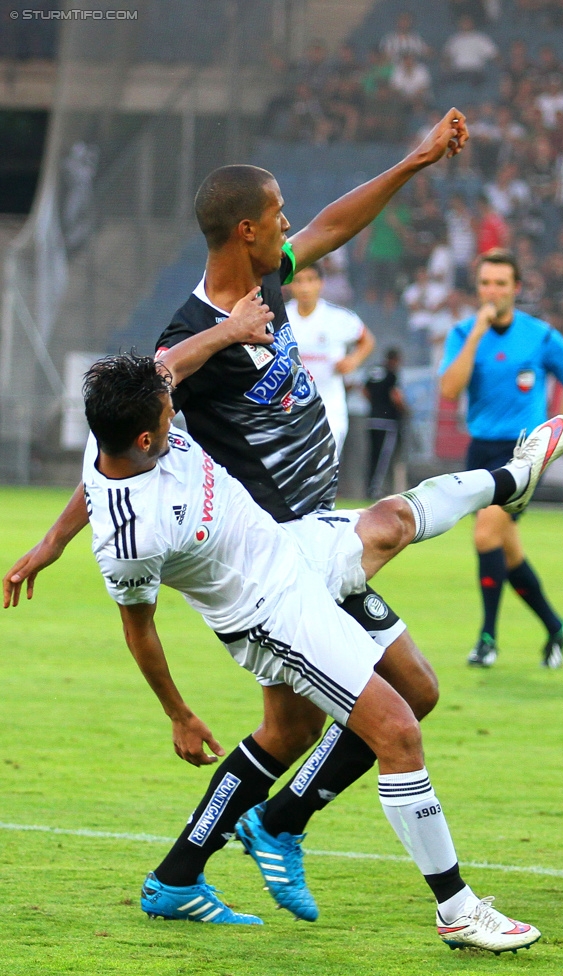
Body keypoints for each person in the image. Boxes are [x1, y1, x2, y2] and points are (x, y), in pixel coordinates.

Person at [3, 111, 475, 923]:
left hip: (317, 533)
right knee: (397, 703)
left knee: (319, 725)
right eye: (279, 211)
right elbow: (123, 447)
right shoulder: (185, 338)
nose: (293, 223)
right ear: (247, 228)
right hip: (285, 556)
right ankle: (278, 837)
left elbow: (332, 225)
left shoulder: (268, 278)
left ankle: (209, 858)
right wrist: (55, 544)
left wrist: (414, 161)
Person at [75, 352, 563, 945]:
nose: (176, 408)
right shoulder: (130, 536)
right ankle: (457, 910)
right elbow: (139, 629)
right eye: (168, 413)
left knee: (391, 529)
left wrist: (48, 547)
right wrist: (178, 715)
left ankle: (184, 873)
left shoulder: (126, 417)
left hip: (291, 549)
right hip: (271, 615)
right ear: (143, 437)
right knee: (399, 730)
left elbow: (151, 395)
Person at [439, 249, 563, 668]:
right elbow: (450, 391)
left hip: (522, 452)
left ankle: (487, 639)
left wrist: (561, 431)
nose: (493, 291)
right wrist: (475, 336)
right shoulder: (463, 333)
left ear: (516, 289)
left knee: (485, 535)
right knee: (506, 552)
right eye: (486, 283)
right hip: (480, 451)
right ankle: (556, 628)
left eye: (501, 284)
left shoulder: (539, 335)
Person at [285, 261, 375, 456]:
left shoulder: (338, 318)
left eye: (310, 280)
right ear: (290, 285)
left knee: (324, 469)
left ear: (320, 283)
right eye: (299, 281)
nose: (305, 287)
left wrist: (353, 360)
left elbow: (367, 340)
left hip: (330, 409)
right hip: (288, 411)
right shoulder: (280, 318)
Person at [365, 347, 408, 498]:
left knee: (373, 455)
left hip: (372, 419)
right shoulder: (391, 374)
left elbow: (365, 390)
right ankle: (374, 489)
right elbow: (395, 395)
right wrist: (404, 409)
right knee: (384, 457)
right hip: (388, 421)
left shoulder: (374, 371)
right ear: (395, 360)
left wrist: (375, 405)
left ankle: (370, 486)